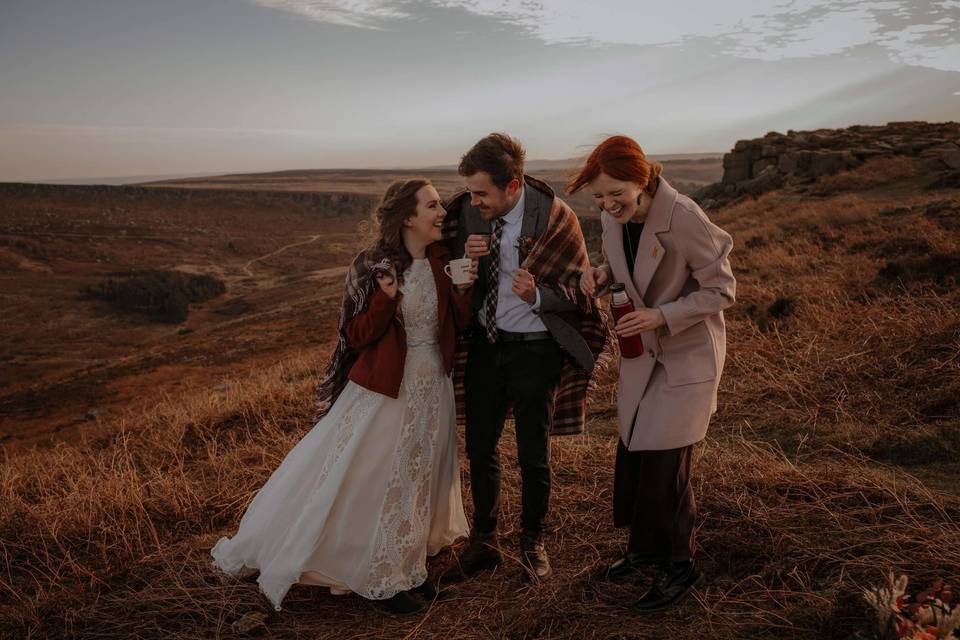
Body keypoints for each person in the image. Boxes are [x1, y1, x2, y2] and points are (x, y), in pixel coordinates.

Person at [211, 179, 473, 615]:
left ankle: (408, 567)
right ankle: (379, 577)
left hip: (434, 387)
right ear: (408, 217)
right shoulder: (376, 266)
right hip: (389, 389)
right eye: (433, 205)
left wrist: (464, 288)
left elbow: (459, 324)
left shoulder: (445, 261)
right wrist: (386, 301)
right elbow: (355, 335)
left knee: (418, 475)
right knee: (378, 477)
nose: (443, 212)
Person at [568, 135, 735, 612]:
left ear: (641, 179)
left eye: (615, 191)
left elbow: (722, 289)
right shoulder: (610, 218)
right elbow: (627, 273)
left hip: (685, 358)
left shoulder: (683, 217)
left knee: (666, 467)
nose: (606, 203)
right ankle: (643, 550)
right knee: (636, 456)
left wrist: (664, 316)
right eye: (598, 196)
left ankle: (679, 566)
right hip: (642, 355)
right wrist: (600, 276)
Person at [442, 133, 606, 582]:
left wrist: (537, 296)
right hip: (484, 345)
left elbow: (580, 294)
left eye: (482, 193)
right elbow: (448, 275)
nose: (473, 202)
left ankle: (533, 542)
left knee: (533, 454)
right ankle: (484, 541)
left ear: (512, 186)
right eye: (471, 192)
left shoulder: (557, 219)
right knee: (479, 447)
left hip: (535, 349)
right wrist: (464, 267)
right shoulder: (466, 216)